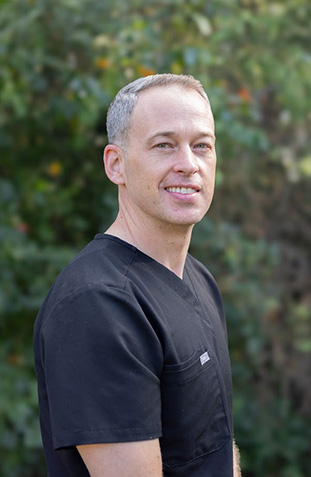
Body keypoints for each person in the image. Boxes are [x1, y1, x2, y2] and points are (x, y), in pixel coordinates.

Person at [34, 73, 241, 476]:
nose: (188, 164)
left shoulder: (197, 279)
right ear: (116, 164)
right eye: (164, 145)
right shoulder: (97, 303)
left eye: (202, 145)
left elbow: (215, 443)